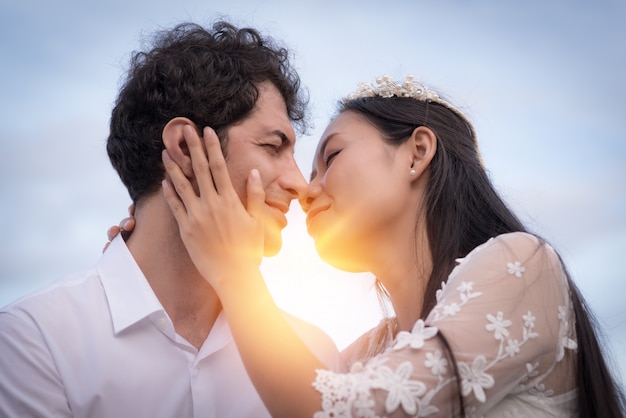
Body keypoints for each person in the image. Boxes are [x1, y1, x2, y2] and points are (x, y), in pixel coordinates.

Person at [147, 74, 625, 416]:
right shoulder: (358, 356)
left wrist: (236, 272)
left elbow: (329, 409)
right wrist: (153, 240)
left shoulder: (523, 264)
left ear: (417, 152)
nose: (306, 189)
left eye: (329, 157)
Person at [0, 21, 340, 417]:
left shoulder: (316, 358)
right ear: (184, 147)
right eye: (272, 147)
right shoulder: (35, 338)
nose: (299, 183)